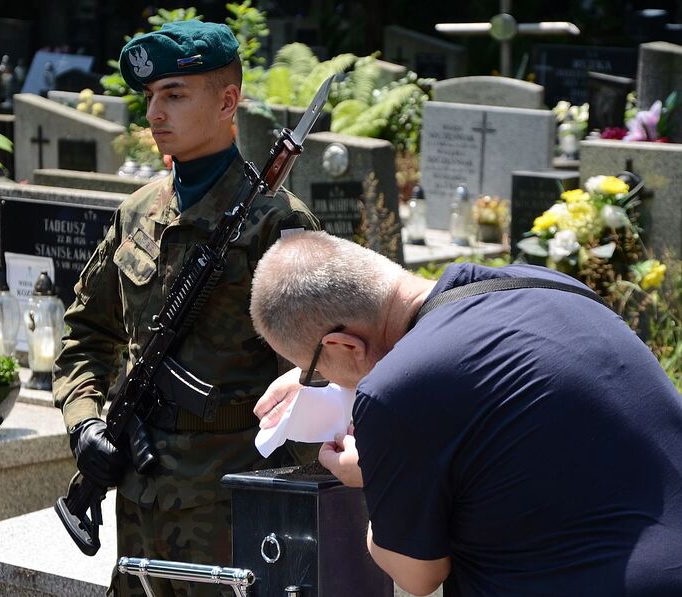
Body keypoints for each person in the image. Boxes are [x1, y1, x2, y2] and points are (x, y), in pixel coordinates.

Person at [249, 231, 682, 596]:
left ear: (344, 346)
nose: (328, 380)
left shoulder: (396, 391)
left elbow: (416, 574)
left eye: (316, 369)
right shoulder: (541, 282)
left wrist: (372, 474)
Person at [53, 21, 321, 597]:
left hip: (229, 512)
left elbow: (316, 381)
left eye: (174, 94)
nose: (155, 114)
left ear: (228, 100)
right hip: (140, 501)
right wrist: (87, 426)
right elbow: (87, 336)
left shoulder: (276, 225)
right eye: (150, 97)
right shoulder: (137, 213)